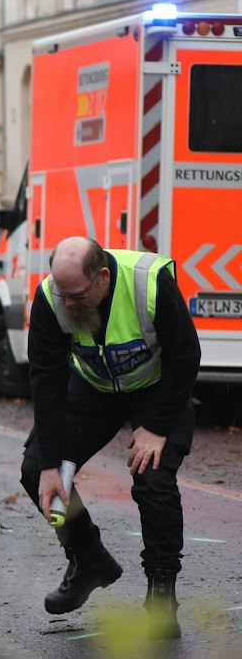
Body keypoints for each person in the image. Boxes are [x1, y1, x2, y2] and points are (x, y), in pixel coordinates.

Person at [20, 236, 200, 636]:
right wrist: (51, 464)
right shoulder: (52, 297)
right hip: (92, 391)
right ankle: (89, 561)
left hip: (158, 392)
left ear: (102, 277)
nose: (68, 304)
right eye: (62, 294)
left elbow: (185, 355)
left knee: (152, 477)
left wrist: (154, 427)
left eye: (78, 295)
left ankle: (160, 593)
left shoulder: (148, 282)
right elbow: (46, 381)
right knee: (37, 471)